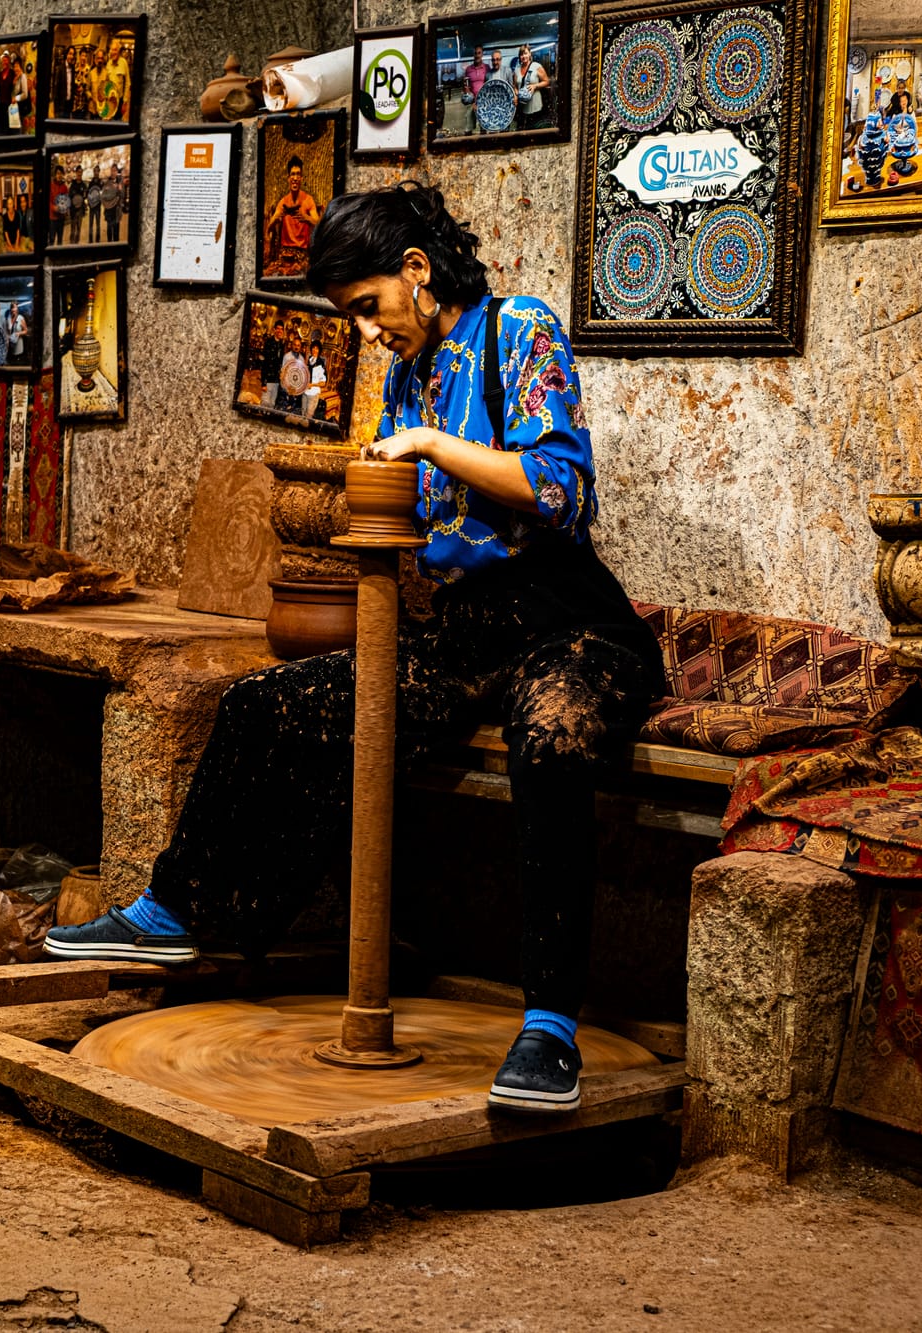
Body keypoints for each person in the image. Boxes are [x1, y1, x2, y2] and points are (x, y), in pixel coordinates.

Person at [47, 183, 666, 1116]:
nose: (369, 333)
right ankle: (176, 915)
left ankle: (549, 1026)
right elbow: (411, 515)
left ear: (417, 272)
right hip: (461, 630)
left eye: (370, 308)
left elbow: (560, 488)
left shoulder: (519, 331)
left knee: (550, 740)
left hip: (567, 622)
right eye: (354, 318)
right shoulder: (411, 371)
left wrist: (424, 444)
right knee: (268, 704)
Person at [264, 156, 324, 278]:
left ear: (301, 178)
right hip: (285, 253)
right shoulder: (283, 202)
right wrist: (276, 219)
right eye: (292, 174)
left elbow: (319, 224)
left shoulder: (308, 200)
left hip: (302, 254)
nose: (295, 178)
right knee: (270, 274)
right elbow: (268, 229)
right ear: (288, 178)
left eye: (298, 174)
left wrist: (306, 217)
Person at [513, 45, 550, 131]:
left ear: (530, 54)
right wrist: (516, 94)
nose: (523, 56)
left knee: (535, 131)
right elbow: (514, 85)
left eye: (525, 53)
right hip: (522, 108)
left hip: (535, 106)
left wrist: (535, 86)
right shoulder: (517, 69)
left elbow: (546, 81)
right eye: (521, 54)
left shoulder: (536, 66)